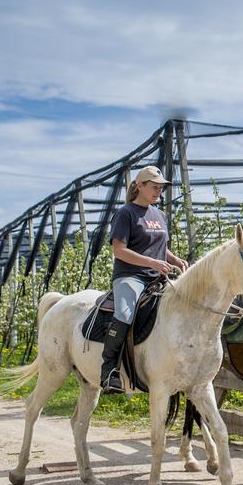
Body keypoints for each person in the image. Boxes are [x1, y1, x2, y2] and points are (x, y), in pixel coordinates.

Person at [100, 165, 189, 394]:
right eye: (154, 187)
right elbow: (119, 250)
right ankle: (109, 369)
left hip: (157, 279)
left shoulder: (160, 215)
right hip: (130, 277)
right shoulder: (125, 213)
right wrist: (152, 263)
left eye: (161, 188)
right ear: (139, 186)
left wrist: (176, 260)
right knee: (125, 314)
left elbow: (161, 248)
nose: (159, 191)